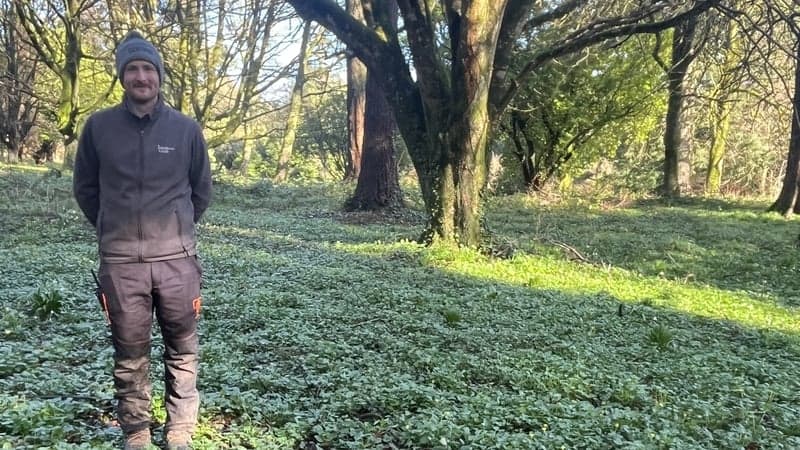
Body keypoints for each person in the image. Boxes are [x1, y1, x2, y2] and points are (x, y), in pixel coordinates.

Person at [73, 30, 212, 450]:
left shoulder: (186, 129)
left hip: (176, 263)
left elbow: (200, 190)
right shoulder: (98, 128)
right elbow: (86, 190)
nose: (140, 76)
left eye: (147, 68)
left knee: (182, 349)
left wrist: (175, 228)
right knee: (129, 353)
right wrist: (113, 228)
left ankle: (180, 428)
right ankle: (136, 430)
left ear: (159, 76)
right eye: (131, 69)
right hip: (120, 265)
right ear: (122, 77)